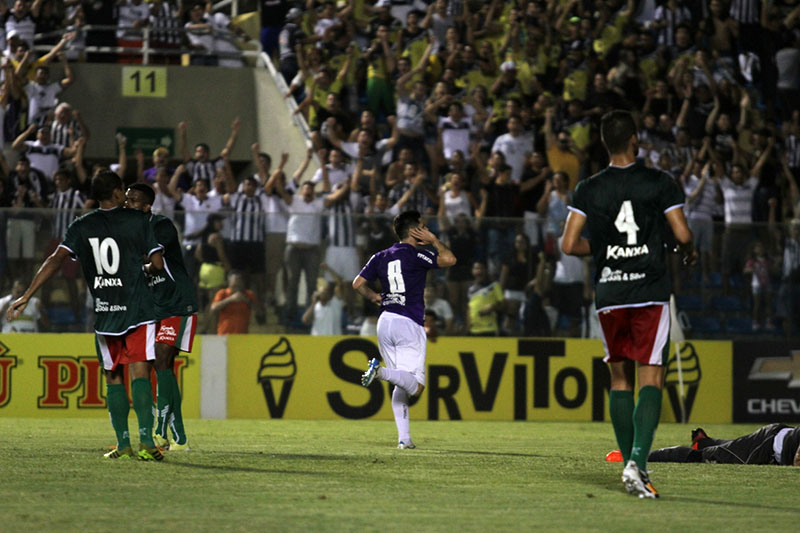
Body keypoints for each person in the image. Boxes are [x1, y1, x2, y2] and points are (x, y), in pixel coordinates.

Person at [561, 110, 696, 499]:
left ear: (605, 143)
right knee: (650, 376)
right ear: (635, 140)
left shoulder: (588, 188)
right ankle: (637, 463)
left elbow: (569, 245)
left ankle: (628, 467)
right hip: (649, 290)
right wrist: (689, 251)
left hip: (610, 293)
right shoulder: (659, 182)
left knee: (619, 379)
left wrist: (605, 250)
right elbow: (683, 233)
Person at [6, 170, 165, 461]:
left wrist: (26, 295)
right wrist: (139, 270)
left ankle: (123, 444)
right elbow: (156, 262)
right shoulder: (139, 221)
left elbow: (55, 260)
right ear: (118, 193)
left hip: (105, 311)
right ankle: (147, 442)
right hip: (138, 310)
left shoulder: (81, 226)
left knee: (112, 375)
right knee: (140, 371)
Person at [354, 210, 456, 449]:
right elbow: (450, 260)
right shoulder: (417, 255)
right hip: (408, 322)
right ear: (414, 232)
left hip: (385, 321)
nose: (425, 229)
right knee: (416, 387)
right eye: (422, 226)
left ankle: (404, 439)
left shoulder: (380, 255)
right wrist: (434, 241)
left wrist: (373, 297)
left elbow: (357, 284)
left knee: (402, 383)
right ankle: (379, 373)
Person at [125, 183, 199, 452]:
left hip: (177, 301)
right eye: (126, 200)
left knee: (161, 357)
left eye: (133, 201)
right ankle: (179, 438)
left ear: (146, 207)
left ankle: (159, 431)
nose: (127, 204)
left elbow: (149, 256)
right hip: (155, 306)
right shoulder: (133, 231)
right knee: (162, 367)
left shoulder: (161, 225)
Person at [638, 425, 800, 466]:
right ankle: (641, 456)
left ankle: (702, 441)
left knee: (730, 447)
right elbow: (797, 459)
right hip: (767, 446)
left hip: (775, 438)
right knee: (705, 458)